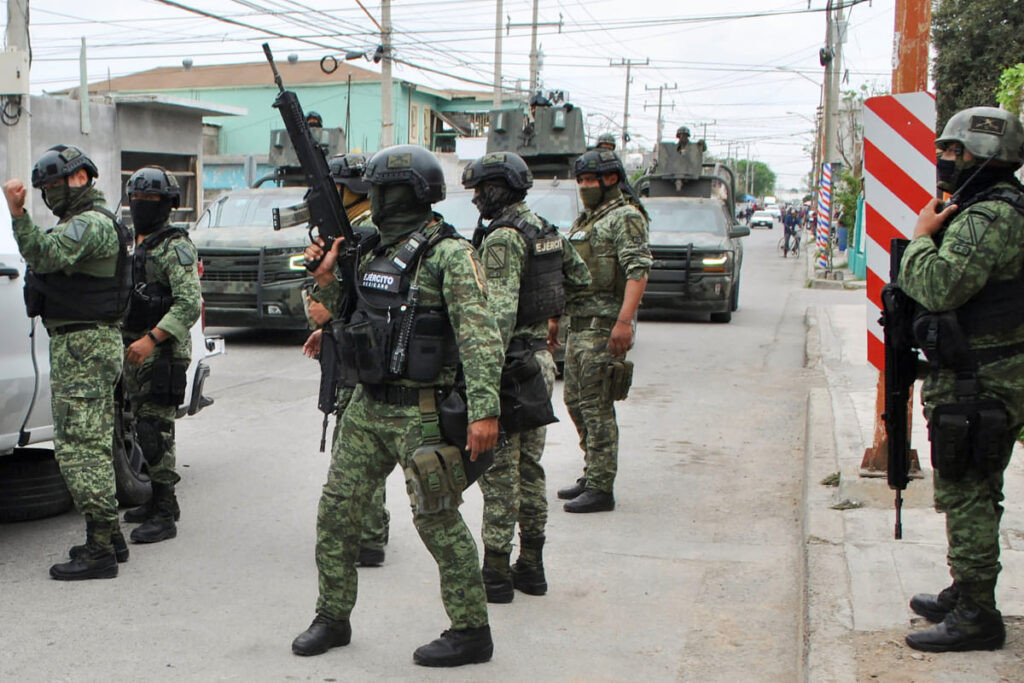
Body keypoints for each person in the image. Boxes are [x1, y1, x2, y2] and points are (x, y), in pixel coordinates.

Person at [292, 144, 504, 667]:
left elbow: (481, 337)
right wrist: (326, 277)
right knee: (337, 513)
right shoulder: (365, 249)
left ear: (405, 193)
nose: (374, 199)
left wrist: (484, 410)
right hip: (367, 407)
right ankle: (332, 617)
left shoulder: (449, 254)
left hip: (423, 410)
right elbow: (344, 312)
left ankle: (472, 630)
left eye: (381, 190)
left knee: (436, 519)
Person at [897, 106, 1024, 653]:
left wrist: (921, 238)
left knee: (967, 488)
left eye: (954, 151)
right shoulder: (991, 207)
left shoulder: (986, 216)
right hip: (989, 369)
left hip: (981, 377)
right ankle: (966, 589)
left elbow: (941, 287)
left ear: (985, 155)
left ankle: (977, 615)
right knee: (978, 483)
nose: (944, 159)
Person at [461, 152, 591, 602]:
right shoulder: (545, 230)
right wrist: (549, 322)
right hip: (538, 363)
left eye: (480, 189)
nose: (476, 198)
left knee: (499, 473)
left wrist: (481, 387)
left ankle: (496, 574)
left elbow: (495, 320)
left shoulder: (502, 238)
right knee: (530, 471)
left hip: (509, 367)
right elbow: (580, 278)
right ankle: (532, 566)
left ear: (499, 188)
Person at [3, 145, 132, 579]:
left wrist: (17, 215)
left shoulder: (91, 225)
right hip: (83, 344)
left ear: (79, 179)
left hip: (85, 347)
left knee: (80, 450)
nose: (47, 195)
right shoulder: (84, 223)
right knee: (91, 443)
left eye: (52, 187)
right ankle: (109, 536)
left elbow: (44, 255)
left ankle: (99, 551)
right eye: (43, 190)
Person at [302, 152, 391, 567]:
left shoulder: (367, 229)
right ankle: (370, 530)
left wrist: (330, 311)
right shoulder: (357, 228)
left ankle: (369, 534)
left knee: (358, 447)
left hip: (364, 349)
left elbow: (369, 297)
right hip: (354, 341)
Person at [556, 149, 651, 513]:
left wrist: (623, 322)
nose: (584, 187)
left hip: (603, 326)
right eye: (580, 181)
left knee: (597, 407)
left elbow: (637, 270)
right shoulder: (588, 219)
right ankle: (591, 470)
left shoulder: (625, 217)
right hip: (578, 326)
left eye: (590, 181)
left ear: (610, 180)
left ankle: (601, 485)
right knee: (575, 403)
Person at [119, 167, 201, 544]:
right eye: (137, 198)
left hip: (163, 351)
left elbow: (189, 305)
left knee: (156, 431)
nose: (141, 206)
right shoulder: (138, 244)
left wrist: (152, 339)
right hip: (136, 349)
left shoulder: (175, 246)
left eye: (151, 200)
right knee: (140, 428)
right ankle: (156, 501)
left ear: (169, 205)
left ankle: (166, 512)